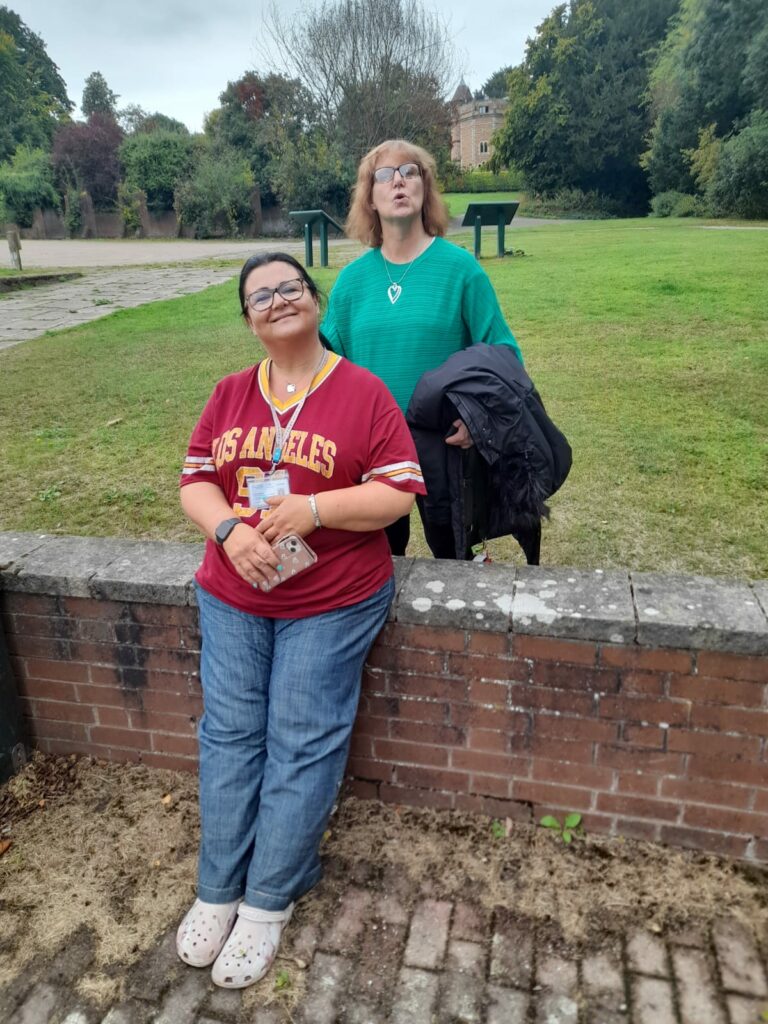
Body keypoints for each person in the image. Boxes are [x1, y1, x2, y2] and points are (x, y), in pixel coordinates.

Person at [176, 252, 425, 989]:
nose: (278, 299)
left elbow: (398, 491)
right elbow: (195, 482)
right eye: (261, 295)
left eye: (291, 287)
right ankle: (218, 889)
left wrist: (315, 509)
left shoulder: (361, 390)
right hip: (234, 592)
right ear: (249, 320)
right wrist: (228, 532)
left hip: (332, 596)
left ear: (315, 300)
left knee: (301, 739)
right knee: (229, 735)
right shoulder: (228, 395)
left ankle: (268, 900)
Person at [321, 138, 524, 558]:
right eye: (384, 175)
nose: (398, 181)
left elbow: (503, 353)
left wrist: (479, 418)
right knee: (375, 560)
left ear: (424, 189)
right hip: (372, 445)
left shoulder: (460, 269)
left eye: (409, 171)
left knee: (452, 557)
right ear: (370, 198)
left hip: (443, 444)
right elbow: (323, 365)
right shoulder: (351, 282)